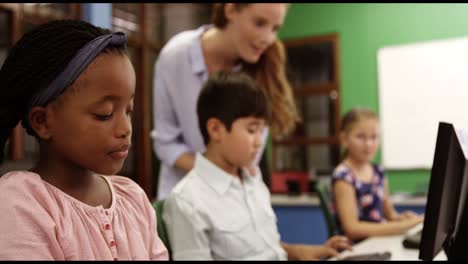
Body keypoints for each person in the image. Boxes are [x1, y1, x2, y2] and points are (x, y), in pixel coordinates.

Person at [0, 20, 168, 260]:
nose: (125, 129)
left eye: (128, 111)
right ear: (43, 122)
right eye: (105, 114)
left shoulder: (133, 199)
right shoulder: (22, 204)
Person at [162, 72, 351, 260]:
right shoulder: (187, 201)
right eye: (252, 130)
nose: (260, 142)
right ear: (216, 129)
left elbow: (268, 250)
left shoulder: (252, 180)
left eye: (262, 130)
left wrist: (305, 252)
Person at [151, 3, 300, 199]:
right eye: (259, 23)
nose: (268, 38)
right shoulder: (175, 56)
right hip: (182, 201)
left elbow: (250, 159)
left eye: (274, 28)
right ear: (230, 10)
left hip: (237, 201)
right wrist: (216, 171)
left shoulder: (261, 71)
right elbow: (165, 143)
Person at [331, 107, 424, 242]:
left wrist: (402, 218)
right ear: (344, 139)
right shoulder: (343, 176)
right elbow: (352, 229)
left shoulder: (378, 171)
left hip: (379, 242)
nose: (369, 144)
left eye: (374, 137)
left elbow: (390, 214)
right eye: (361, 137)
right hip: (356, 249)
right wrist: (406, 225)